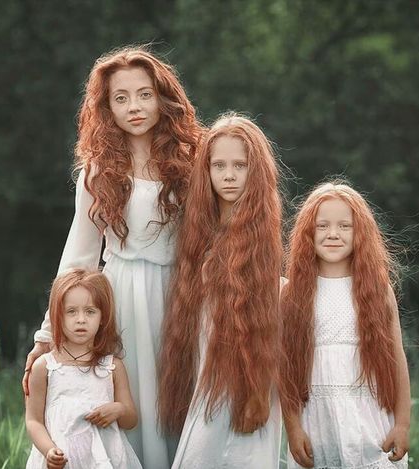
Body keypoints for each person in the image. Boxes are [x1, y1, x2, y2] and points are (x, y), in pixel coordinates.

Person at [23, 45, 202, 468]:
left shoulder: (193, 161)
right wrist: (47, 335)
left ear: (164, 97)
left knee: (180, 400)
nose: (134, 107)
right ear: (106, 108)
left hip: (182, 295)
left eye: (144, 94)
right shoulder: (98, 172)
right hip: (120, 298)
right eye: (120, 98)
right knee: (127, 398)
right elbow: (79, 255)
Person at [158, 113, 283, 468]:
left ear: (255, 172)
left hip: (242, 375)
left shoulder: (260, 242)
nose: (229, 175)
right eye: (219, 165)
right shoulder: (198, 234)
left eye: (240, 166)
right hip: (203, 366)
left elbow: (266, 327)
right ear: (206, 171)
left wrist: (255, 391)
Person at [280, 181, 410, 469]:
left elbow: (397, 359)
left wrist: (401, 424)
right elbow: (285, 368)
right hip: (317, 427)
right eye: (322, 225)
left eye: (345, 226)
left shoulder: (378, 290)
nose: (333, 234)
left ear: (360, 232)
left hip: (371, 425)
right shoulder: (292, 293)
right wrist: (293, 428)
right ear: (308, 233)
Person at [25, 269, 142, 469]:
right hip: (62, 460)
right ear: (57, 316)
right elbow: (34, 420)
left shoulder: (112, 366)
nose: (81, 319)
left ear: (102, 317)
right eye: (71, 311)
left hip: (106, 458)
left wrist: (119, 409)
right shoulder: (45, 367)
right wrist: (48, 450)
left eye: (90, 311)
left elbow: (131, 420)